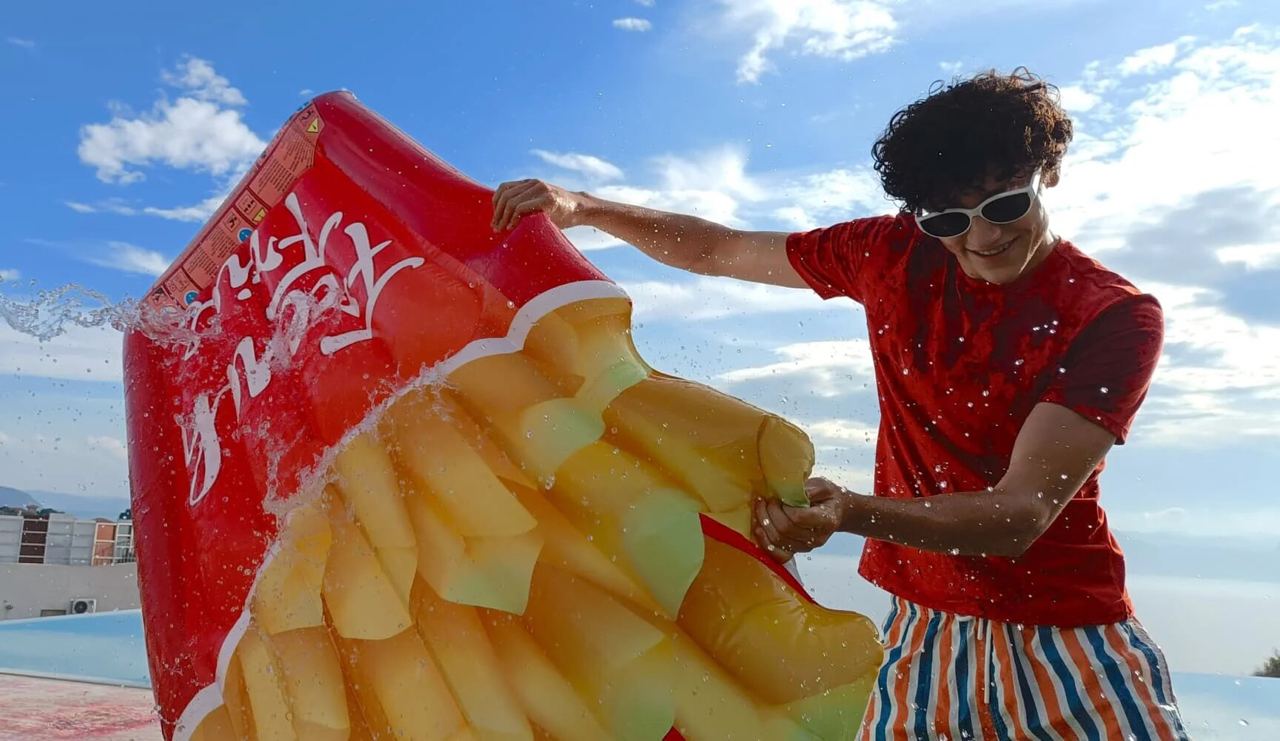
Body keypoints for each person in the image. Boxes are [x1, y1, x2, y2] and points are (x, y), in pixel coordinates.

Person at [491, 69, 1189, 740]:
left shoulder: (1111, 315)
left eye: (1006, 205)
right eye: (950, 219)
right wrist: (586, 207)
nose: (982, 239)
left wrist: (850, 511)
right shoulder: (888, 253)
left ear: (1048, 175)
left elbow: (1022, 513)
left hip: (1068, 637)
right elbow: (719, 249)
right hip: (923, 628)